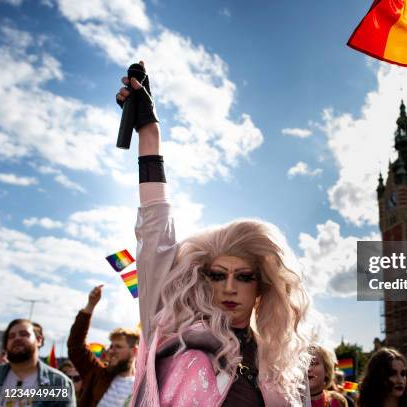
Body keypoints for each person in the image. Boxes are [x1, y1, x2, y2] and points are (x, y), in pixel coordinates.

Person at [115, 62, 312, 406]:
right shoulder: (171, 327)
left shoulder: (280, 362)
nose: (229, 288)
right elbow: (155, 232)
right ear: (203, 279)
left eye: (244, 277)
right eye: (218, 276)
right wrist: (150, 135)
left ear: (262, 286)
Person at [67, 285, 139, 407]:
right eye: (111, 346)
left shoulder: (145, 385)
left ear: (134, 351)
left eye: (118, 347)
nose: (111, 351)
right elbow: (76, 346)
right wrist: (90, 305)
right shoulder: (97, 374)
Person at [0, 319, 75, 406]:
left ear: (39, 340)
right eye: (11, 336)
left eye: (24, 334)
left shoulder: (59, 383)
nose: (17, 338)